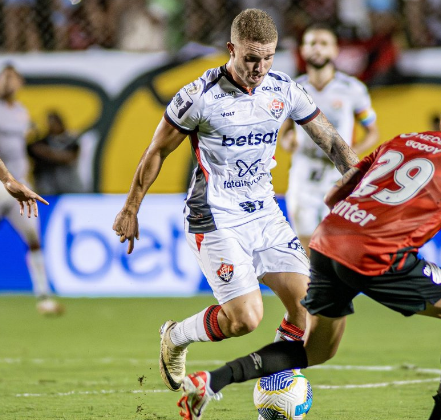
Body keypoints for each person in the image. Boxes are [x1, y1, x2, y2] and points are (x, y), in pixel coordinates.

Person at [176, 84, 441, 420]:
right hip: (379, 256)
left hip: (328, 241)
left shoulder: (402, 141)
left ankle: (212, 380)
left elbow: (334, 194)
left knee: (316, 351)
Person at [112, 8, 358, 394]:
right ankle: (176, 336)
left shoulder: (284, 89)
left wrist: (364, 187)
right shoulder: (199, 96)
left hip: (265, 214)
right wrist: (131, 207)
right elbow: (157, 150)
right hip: (214, 216)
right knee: (245, 319)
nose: (260, 67)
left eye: (268, 57)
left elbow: (331, 142)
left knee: (307, 310)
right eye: (251, 58)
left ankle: (276, 386)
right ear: (231, 49)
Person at [281, 24, 379, 254]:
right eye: (311, 43)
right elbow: (285, 131)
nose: (317, 49)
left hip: (338, 175)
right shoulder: (293, 89)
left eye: (323, 43)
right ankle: (311, 289)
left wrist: (349, 153)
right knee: (305, 240)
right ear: (303, 51)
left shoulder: (352, 89)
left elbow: (372, 131)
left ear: (335, 51)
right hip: (304, 170)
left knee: (337, 240)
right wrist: (287, 142)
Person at [0, 64, 63, 316]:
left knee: (34, 240)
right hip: (1, 182)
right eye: (6, 78)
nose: (9, 82)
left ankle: (43, 296)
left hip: (20, 185)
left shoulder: (21, 112)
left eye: (13, 78)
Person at [27, 110, 84, 195]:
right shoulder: (42, 141)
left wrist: (47, 152)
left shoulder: (71, 140)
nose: (51, 125)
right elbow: (32, 151)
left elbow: (70, 158)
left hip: (69, 182)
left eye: (54, 122)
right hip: (48, 185)